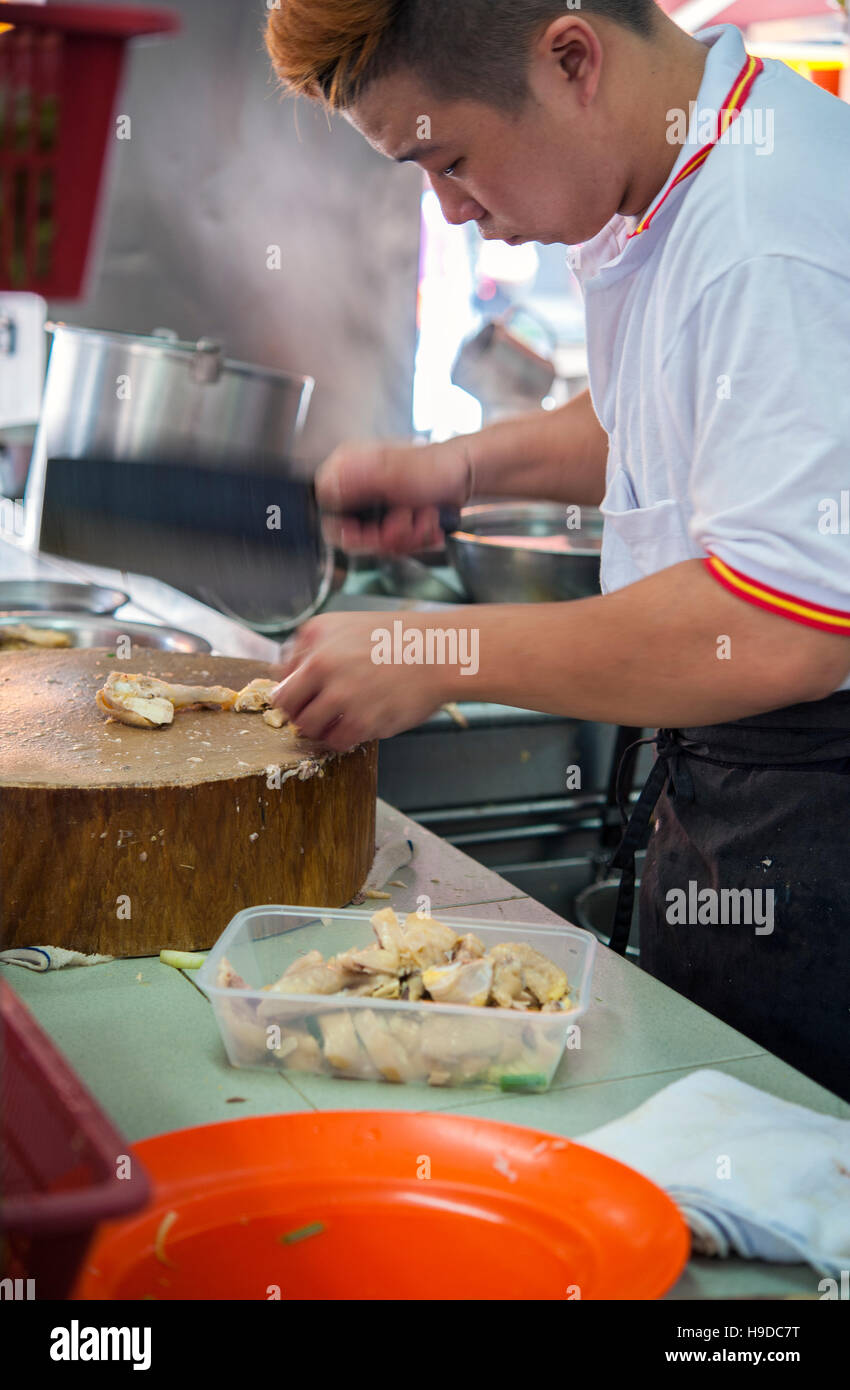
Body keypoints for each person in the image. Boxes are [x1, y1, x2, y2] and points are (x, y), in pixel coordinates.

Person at [264, 1, 850, 1100]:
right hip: (738, 791)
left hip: (817, 819)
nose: (450, 209)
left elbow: (778, 631)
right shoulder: (676, 171)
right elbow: (666, 421)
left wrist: (426, 650)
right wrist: (464, 468)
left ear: (572, 59)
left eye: (450, 160)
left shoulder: (767, 232)